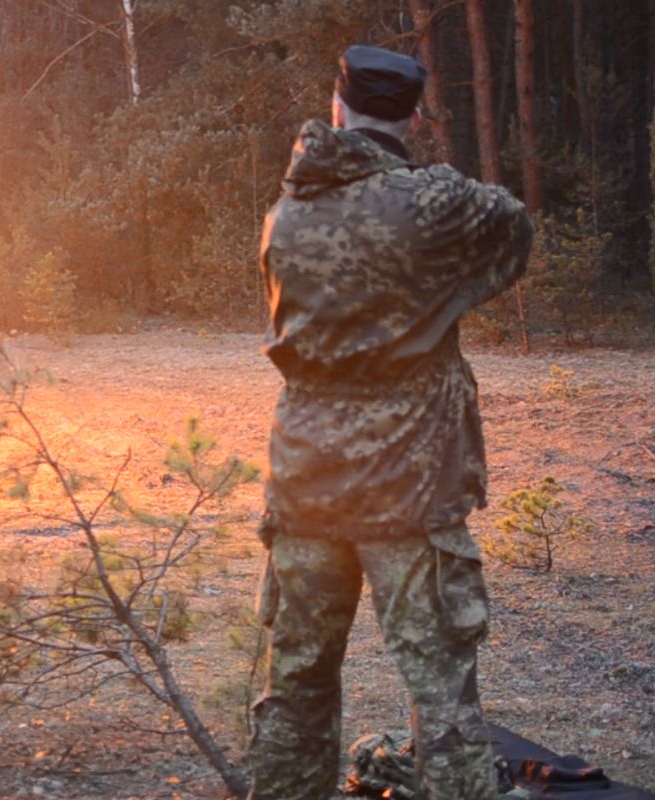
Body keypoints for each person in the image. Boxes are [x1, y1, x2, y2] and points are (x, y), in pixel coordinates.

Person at [247, 45, 534, 800]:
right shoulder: (431, 204)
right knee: (439, 690)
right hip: (407, 485)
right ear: (412, 116)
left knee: (297, 685)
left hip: (305, 480)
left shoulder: (284, 216)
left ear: (336, 108)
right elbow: (512, 229)